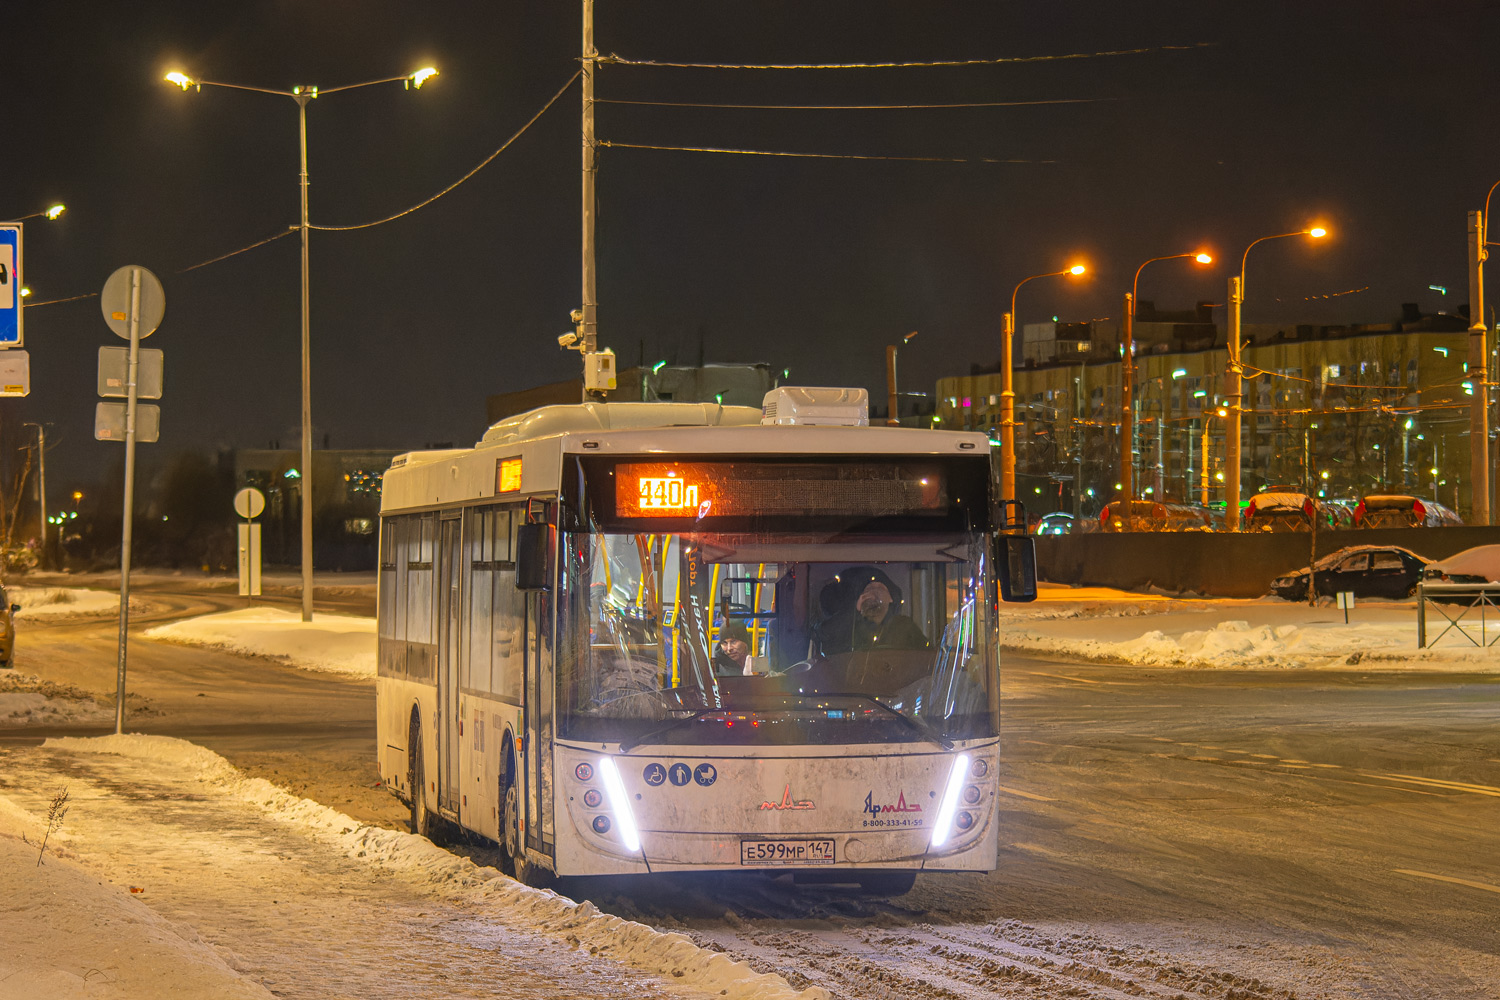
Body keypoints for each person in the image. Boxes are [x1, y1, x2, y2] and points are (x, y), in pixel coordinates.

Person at [814, 566, 929, 655]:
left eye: (880, 589)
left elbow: (927, 659)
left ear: (890, 598)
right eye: (869, 589)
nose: (874, 595)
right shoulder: (847, 626)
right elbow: (824, 637)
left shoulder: (904, 627)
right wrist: (854, 612)